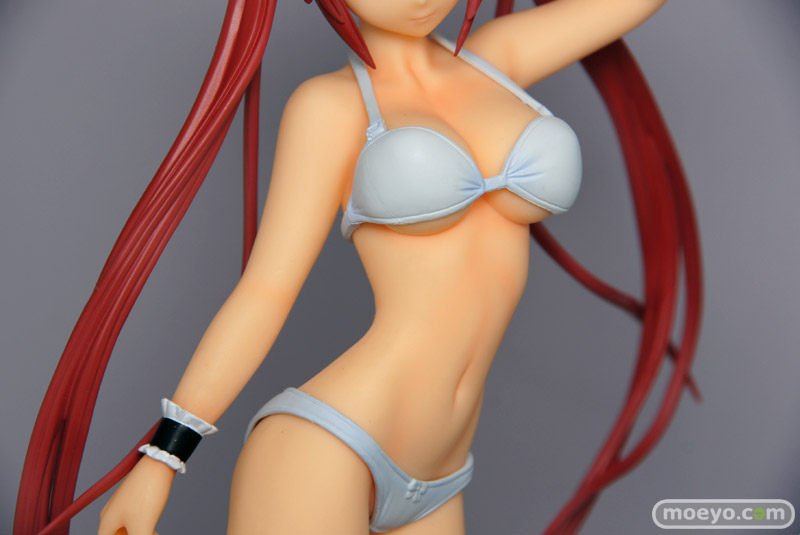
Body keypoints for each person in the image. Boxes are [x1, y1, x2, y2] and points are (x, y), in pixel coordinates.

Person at [15, 0, 704, 534]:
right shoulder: (331, 108)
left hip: (442, 469)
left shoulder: (500, 57)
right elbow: (266, 289)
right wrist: (163, 457)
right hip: (326, 448)